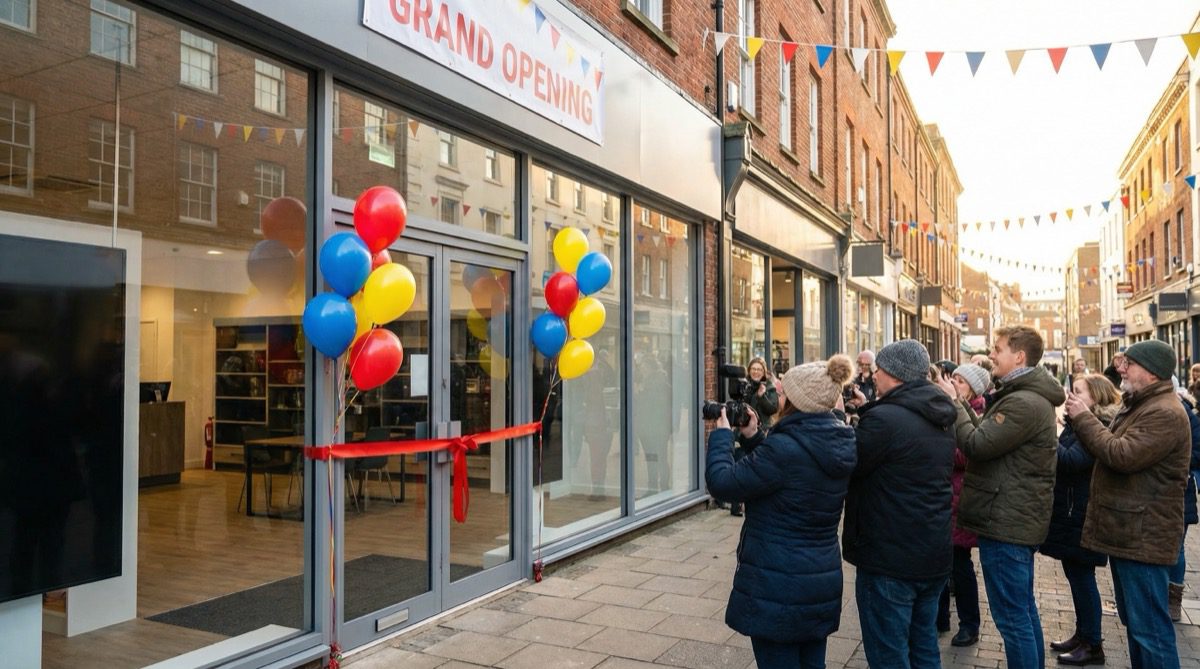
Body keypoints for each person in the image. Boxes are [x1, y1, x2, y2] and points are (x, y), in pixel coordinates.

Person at [706, 355, 857, 668]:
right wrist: (754, 436)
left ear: (798, 402)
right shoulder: (839, 440)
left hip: (778, 580)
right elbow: (791, 472)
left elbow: (723, 483)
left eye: (785, 392)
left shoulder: (785, 447)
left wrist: (722, 434)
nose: (779, 396)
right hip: (818, 578)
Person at [1065, 339, 1190, 669]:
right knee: (1138, 627)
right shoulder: (1142, 404)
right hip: (1130, 533)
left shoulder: (1164, 412)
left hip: (1143, 537)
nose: (1121, 368)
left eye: (1129, 364)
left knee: (1150, 631)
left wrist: (1083, 418)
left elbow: (1121, 455)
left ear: (1150, 373)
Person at [949, 325, 1065, 669]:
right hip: (1010, 518)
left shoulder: (1023, 402)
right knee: (1022, 611)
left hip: (1006, 523)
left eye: (998, 349)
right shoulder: (1022, 397)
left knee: (1013, 619)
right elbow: (985, 434)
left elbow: (976, 445)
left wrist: (956, 404)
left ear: (1019, 356)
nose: (992, 354)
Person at [842, 340, 956, 669]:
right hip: (931, 553)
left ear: (894, 374)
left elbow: (852, 464)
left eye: (878, 369)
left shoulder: (886, 420)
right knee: (923, 645)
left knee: (888, 653)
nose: (874, 376)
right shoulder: (940, 413)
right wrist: (870, 409)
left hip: (890, 558)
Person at [1041, 373, 1120, 666]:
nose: (1071, 396)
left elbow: (1073, 462)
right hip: (1072, 512)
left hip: (1082, 514)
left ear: (1095, 397)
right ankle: (1083, 634)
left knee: (1083, 579)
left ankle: (1093, 644)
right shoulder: (1080, 424)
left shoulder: (1095, 426)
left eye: (1078, 392)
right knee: (1076, 577)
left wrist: (1048, 436)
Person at [935, 363, 991, 648]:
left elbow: (966, 455)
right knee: (939, 563)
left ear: (973, 388)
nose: (954, 383)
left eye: (960, 380)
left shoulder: (978, 413)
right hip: (944, 498)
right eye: (952, 378)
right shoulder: (948, 408)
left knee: (959, 565)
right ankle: (940, 618)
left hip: (962, 498)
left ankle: (969, 624)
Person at [1169, 383, 1200, 621]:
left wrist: (1175, 460)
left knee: (1177, 548)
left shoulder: (1187, 415)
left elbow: (1198, 452)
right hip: (1165, 491)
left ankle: (1174, 600)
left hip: (1181, 490)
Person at [745, 357, 780, 430]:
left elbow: (773, 409)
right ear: (749, 370)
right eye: (753, 369)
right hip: (744, 428)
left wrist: (762, 397)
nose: (756, 372)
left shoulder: (770, 387)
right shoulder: (744, 385)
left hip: (763, 428)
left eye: (759, 369)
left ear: (764, 372)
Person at [845, 350, 878, 416]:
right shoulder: (852, 381)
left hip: (871, 415)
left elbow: (878, 402)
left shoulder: (876, 381)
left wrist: (864, 402)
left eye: (866, 365)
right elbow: (846, 402)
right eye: (860, 364)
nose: (863, 367)